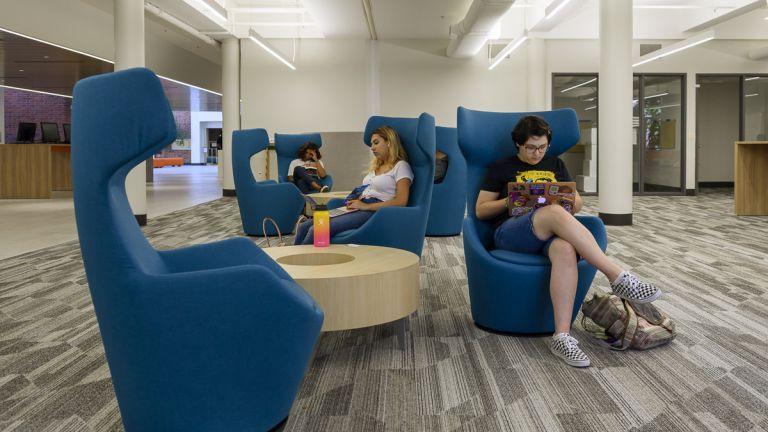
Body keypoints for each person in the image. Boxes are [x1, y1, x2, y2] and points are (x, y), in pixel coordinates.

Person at [475, 115, 662, 368]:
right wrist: (514, 199)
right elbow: (481, 210)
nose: (536, 153)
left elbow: (578, 203)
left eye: (542, 147)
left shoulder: (556, 164)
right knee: (552, 212)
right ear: (518, 144)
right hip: (510, 233)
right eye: (530, 147)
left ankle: (561, 336)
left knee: (565, 248)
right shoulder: (501, 167)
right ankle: (617, 276)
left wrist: (560, 199)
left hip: (549, 234)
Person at [294, 126, 413, 245]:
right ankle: (291, 260)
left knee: (317, 229)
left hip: (375, 212)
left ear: (389, 142)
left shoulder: (401, 166)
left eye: (376, 143)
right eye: (371, 144)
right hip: (360, 206)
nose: (372, 148)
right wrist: (356, 199)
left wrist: (366, 207)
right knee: (303, 226)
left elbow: (401, 201)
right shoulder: (377, 167)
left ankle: (307, 261)